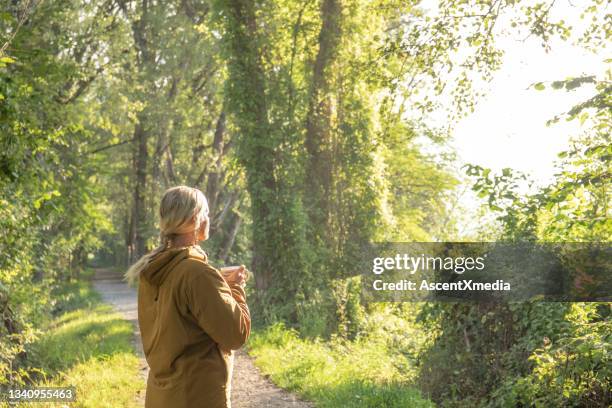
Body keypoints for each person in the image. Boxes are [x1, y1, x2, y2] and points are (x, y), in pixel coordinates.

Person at [125, 185, 251, 408]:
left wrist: (218, 281)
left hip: (161, 397)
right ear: (195, 219)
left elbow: (180, 306)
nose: (209, 219)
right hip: (197, 397)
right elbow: (235, 334)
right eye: (207, 214)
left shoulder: (152, 270)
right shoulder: (197, 274)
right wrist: (236, 287)